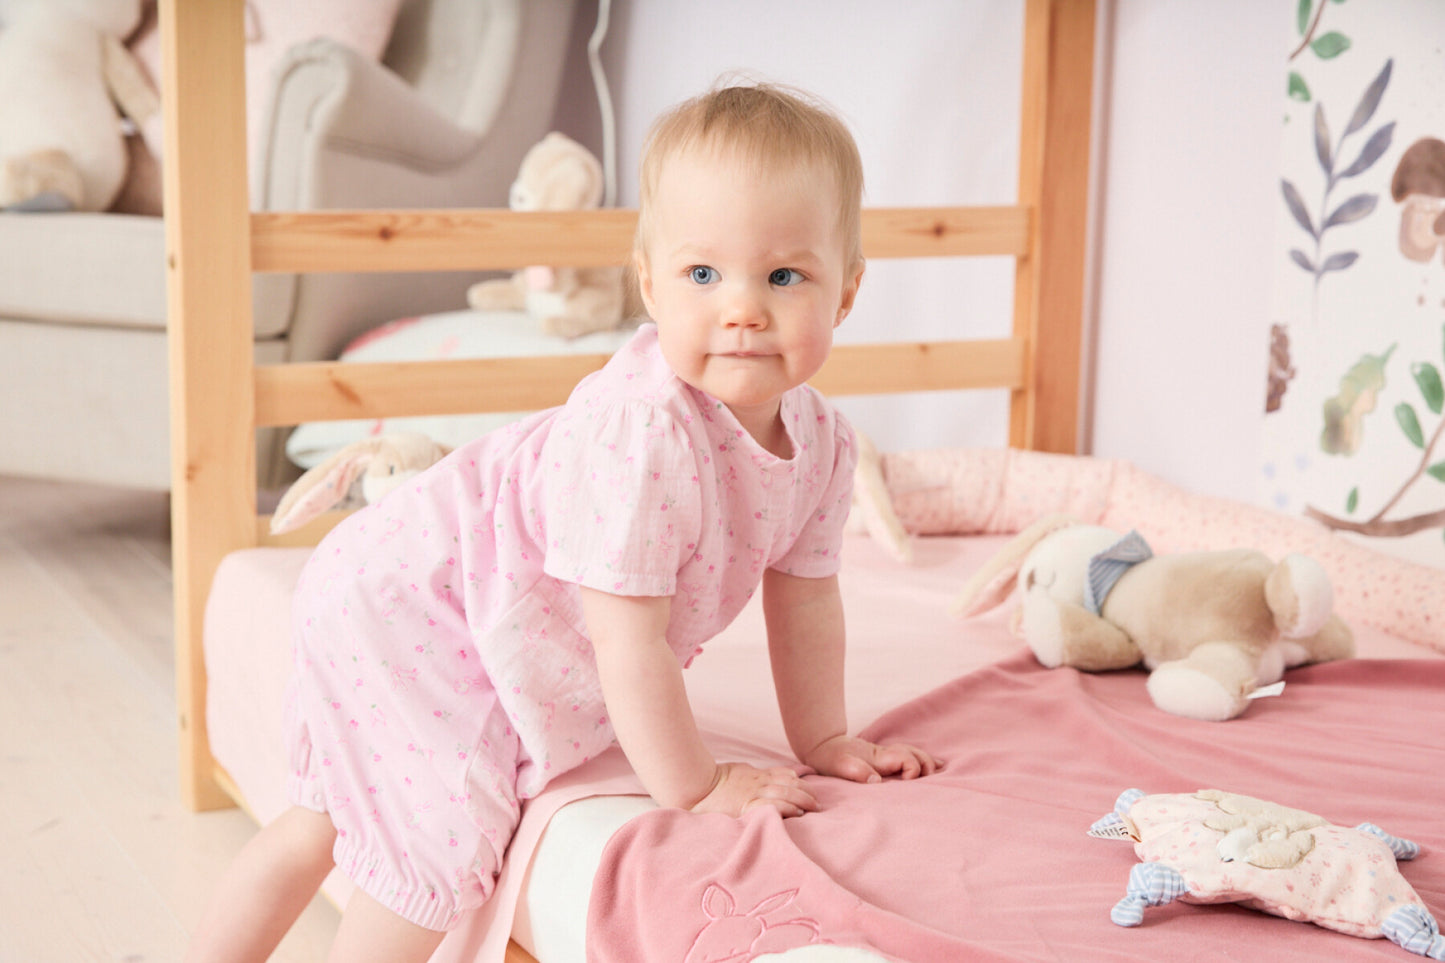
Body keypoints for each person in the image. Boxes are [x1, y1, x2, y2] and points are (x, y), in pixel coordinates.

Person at [186, 80, 938, 963]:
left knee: (322, 817)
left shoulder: (824, 445)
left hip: (421, 589)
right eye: (703, 273)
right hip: (421, 605)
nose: (741, 307)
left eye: (784, 275)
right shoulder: (642, 432)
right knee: (436, 845)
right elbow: (628, 644)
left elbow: (806, 603)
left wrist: (823, 740)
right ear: (649, 284)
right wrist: (695, 789)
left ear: (844, 292)